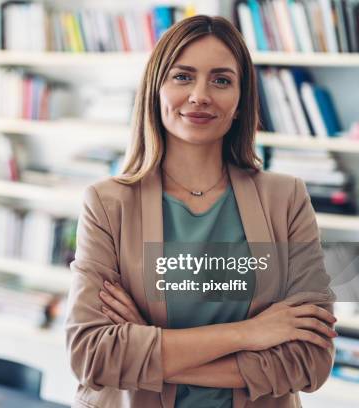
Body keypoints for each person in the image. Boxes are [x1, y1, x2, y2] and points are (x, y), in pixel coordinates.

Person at [65, 15, 336, 408]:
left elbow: (308, 361)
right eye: (182, 77)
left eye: (221, 80)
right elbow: (91, 354)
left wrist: (144, 342)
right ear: (155, 90)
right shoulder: (108, 204)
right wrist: (250, 333)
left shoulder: (286, 198)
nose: (200, 95)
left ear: (242, 101)